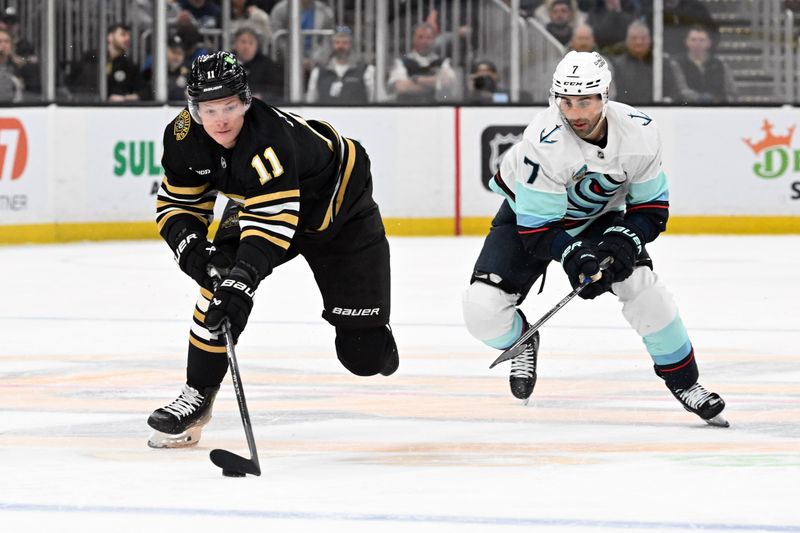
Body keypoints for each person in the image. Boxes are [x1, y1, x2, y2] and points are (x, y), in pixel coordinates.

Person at [462, 50, 728, 427]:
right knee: (481, 312)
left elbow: (651, 208)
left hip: (601, 217)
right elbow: (539, 232)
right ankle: (520, 340)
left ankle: (687, 383)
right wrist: (574, 257)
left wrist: (625, 239)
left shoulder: (639, 131)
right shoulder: (544, 139)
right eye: (566, 102)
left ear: (605, 95)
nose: (576, 113)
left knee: (643, 288)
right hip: (529, 215)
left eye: (585, 101)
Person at [147, 51, 398, 448]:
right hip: (265, 202)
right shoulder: (181, 137)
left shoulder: (267, 138)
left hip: (339, 212)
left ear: (245, 100)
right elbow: (178, 206)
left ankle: (371, 332)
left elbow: (269, 228)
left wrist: (243, 282)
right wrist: (197, 254)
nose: (222, 119)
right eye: (210, 109)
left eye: (229, 106)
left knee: (364, 357)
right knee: (219, 281)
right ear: (193, 109)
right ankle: (198, 396)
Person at [67, 22, 150, 102]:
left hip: (116, 112)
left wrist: (126, 98)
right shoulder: (91, 57)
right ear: (110, 37)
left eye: (128, 35)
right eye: (123, 34)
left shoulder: (128, 65)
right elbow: (74, 85)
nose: (127, 38)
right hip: (89, 108)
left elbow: (146, 91)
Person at [387, 22, 458, 104]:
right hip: (407, 110)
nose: (424, 41)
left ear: (434, 40)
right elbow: (401, 87)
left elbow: (447, 84)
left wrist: (416, 79)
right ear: (413, 39)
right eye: (420, 37)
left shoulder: (444, 62)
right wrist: (435, 84)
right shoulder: (401, 62)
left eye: (428, 38)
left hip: (437, 111)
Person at [668, 25, 736, 104]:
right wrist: (700, 99)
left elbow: (731, 91)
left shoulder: (720, 64)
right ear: (686, 42)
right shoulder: (677, 63)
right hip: (686, 109)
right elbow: (681, 90)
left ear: (709, 43)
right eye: (693, 40)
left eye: (702, 40)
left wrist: (716, 100)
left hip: (716, 110)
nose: (697, 44)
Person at [306, 26, 374, 104]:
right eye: (337, 42)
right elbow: (311, 101)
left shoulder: (367, 71)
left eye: (345, 43)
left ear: (352, 45)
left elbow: (373, 100)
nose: (340, 46)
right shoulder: (318, 72)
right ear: (332, 45)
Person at [232, 26, 284, 102]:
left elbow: (277, 90)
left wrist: (262, 96)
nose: (247, 46)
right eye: (243, 42)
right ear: (235, 44)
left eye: (251, 43)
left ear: (256, 46)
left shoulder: (267, 65)